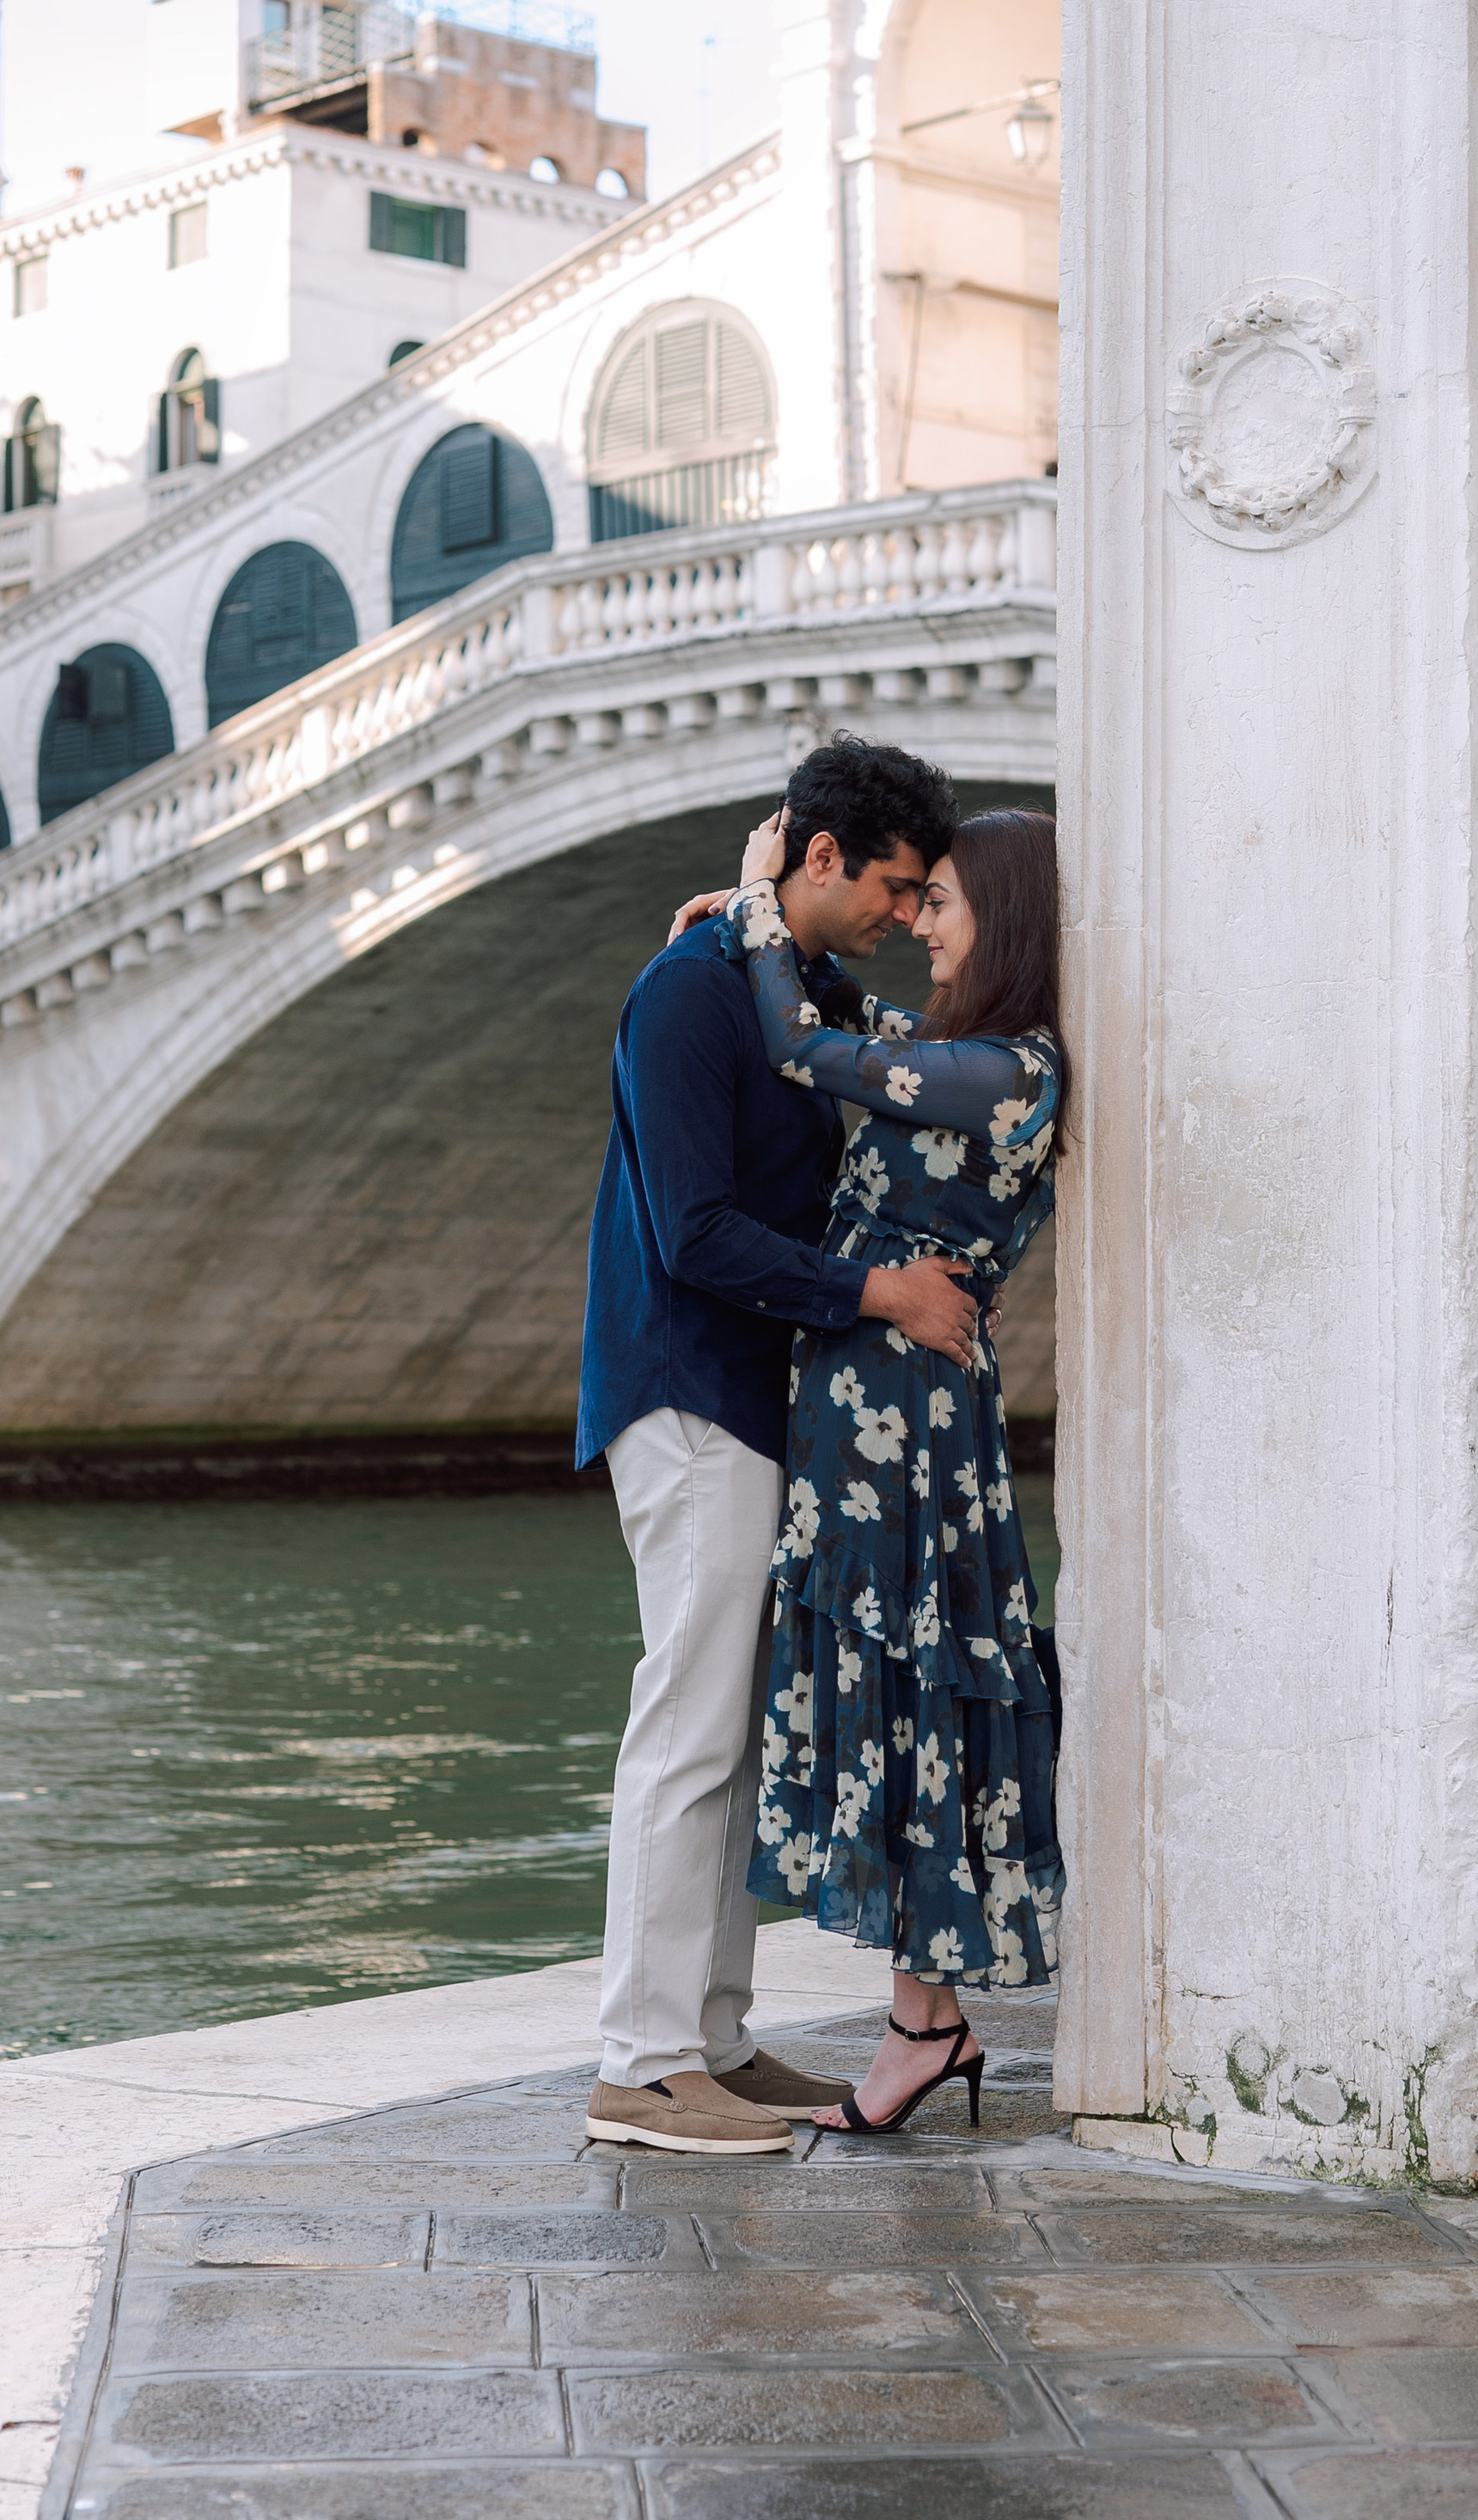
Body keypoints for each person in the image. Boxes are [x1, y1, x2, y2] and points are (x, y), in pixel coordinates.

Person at [577, 735, 981, 2157]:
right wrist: (881, 1294)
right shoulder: (685, 999)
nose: (905, 912)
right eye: (892, 884)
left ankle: (713, 2042)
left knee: (733, 1730)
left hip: (754, 1400)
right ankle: (638, 2061)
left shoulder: (778, 977)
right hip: (689, 1395)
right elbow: (690, 1234)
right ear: (821, 857)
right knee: (686, 1728)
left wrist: (747, 899)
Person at [704, 801, 1066, 2134]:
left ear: (1005, 921)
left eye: (945, 903)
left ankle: (926, 2024)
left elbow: (808, 1049)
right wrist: (761, 939)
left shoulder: (1012, 1071)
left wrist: (755, 904)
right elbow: (846, 1016)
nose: (919, 922)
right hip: (867, 1406)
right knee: (906, 1696)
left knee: (921, 1691)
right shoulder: (955, 1052)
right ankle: (926, 2025)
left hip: (905, 1422)